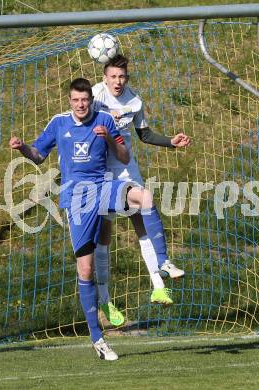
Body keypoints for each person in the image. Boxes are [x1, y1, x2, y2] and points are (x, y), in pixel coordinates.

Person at [9, 78, 181, 361]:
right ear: (69, 100)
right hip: (77, 200)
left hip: (104, 187)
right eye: (75, 100)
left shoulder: (104, 119)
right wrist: (23, 147)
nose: (80, 105)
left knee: (144, 197)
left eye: (84, 100)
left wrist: (112, 140)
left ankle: (163, 261)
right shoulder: (59, 123)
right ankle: (98, 339)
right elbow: (39, 156)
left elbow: (125, 158)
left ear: (91, 99)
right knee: (85, 270)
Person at [92, 54, 191, 326]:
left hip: (127, 168)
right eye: (113, 76)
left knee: (142, 218)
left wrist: (170, 141)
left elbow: (144, 134)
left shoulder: (134, 101)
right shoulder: (94, 97)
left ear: (127, 78)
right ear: (104, 77)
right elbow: (80, 122)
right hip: (100, 172)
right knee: (103, 237)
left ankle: (159, 283)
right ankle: (105, 299)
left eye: (122, 76)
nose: (118, 81)